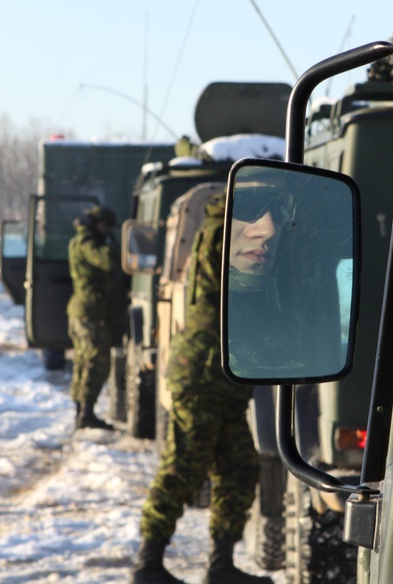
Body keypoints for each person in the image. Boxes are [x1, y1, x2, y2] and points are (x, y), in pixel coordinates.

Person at [132, 191, 277, 584]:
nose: (265, 237)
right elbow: (246, 274)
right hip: (200, 371)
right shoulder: (219, 231)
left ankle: (221, 566)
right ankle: (147, 564)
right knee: (184, 465)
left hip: (224, 376)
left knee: (239, 467)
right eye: (260, 225)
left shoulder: (230, 232)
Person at [67, 204, 119, 431]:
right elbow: (107, 261)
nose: (108, 231)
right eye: (106, 226)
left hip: (82, 310)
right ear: (98, 224)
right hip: (90, 312)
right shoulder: (88, 243)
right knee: (96, 362)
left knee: (82, 360)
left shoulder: (78, 240)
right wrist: (118, 245)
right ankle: (86, 413)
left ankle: (81, 412)